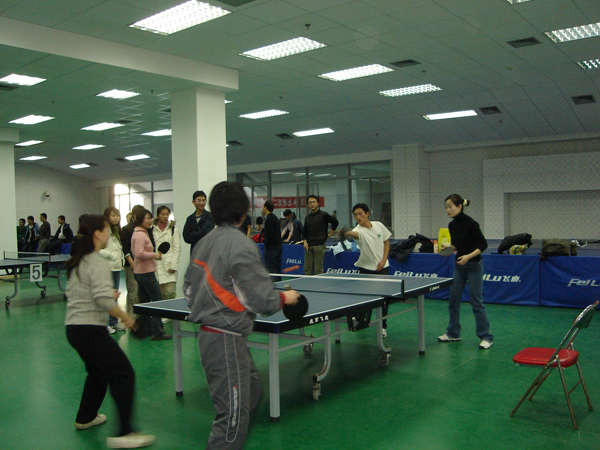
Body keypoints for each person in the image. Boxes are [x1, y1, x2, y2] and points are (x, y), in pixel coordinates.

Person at [183, 181, 299, 450]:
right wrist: (286, 298)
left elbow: (188, 290)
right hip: (224, 339)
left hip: (216, 336)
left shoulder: (203, 242)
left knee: (252, 390)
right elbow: (262, 300)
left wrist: (212, 305)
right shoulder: (241, 245)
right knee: (232, 419)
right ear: (244, 210)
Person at [64, 214, 156, 449]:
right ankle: (125, 433)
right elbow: (103, 301)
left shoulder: (79, 260)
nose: (109, 235)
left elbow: (80, 293)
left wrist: (106, 295)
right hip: (89, 330)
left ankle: (85, 417)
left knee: (98, 372)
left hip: (74, 329)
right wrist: (128, 319)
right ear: (98, 234)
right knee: (124, 374)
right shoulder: (97, 262)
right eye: (106, 230)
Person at [438, 194, 493, 350]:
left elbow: (483, 245)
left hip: (474, 266)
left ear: (459, 206)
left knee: (476, 302)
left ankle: (486, 337)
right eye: (446, 207)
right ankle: (453, 333)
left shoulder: (471, 224)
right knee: (453, 300)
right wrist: (448, 249)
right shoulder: (452, 225)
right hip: (459, 267)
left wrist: (468, 257)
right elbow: (456, 244)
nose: (448, 210)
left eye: (450, 206)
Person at [340, 203, 391, 336]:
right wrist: (346, 233)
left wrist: (384, 260)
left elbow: (386, 242)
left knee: (384, 301)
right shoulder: (358, 231)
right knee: (365, 299)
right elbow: (355, 234)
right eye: (355, 215)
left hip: (383, 268)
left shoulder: (379, 225)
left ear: (367, 213)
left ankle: (382, 327)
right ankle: (359, 318)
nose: (358, 217)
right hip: (366, 269)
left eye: (360, 214)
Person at [131, 208, 171, 341]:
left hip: (140, 272)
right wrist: (154, 255)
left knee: (145, 303)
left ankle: (145, 329)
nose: (150, 220)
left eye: (150, 218)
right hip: (146, 273)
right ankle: (158, 332)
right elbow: (139, 253)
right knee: (157, 300)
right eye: (148, 218)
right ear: (140, 220)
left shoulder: (139, 232)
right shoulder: (140, 235)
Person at [100, 207, 125, 334]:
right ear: (107, 217)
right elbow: (96, 249)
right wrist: (110, 256)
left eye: (117, 215)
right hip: (106, 268)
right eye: (113, 215)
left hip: (116, 267)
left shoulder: (117, 231)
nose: (116, 218)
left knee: (114, 296)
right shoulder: (102, 231)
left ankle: (113, 321)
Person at [302, 195, 338, 275]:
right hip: (308, 247)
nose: (312, 204)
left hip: (319, 246)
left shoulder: (323, 215)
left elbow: (335, 222)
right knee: (307, 269)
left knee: (318, 270)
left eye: (314, 202)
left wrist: (330, 233)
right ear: (308, 204)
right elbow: (304, 232)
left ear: (318, 203)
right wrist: (305, 242)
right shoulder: (307, 217)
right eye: (310, 202)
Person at [152, 206, 181, 301]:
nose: (165, 216)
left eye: (167, 214)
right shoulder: (152, 229)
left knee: (170, 293)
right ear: (157, 215)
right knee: (158, 296)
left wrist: (173, 266)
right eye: (162, 214)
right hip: (156, 266)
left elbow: (177, 248)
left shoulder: (173, 229)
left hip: (169, 266)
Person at [121, 205, 144, 315]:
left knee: (142, 292)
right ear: (134, 215)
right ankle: (131, 315)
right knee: (133, 291)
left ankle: (141, 316)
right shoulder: (126, 229)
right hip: (131, 265)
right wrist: (131, 262)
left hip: (144, 265)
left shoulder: (145, 228)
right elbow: (125, 247)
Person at [182, 190, 214, 255]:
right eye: (198, 200)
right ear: (193, 202)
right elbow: (186, 238)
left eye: (203, 200)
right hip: (194, 251)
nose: (201, 203)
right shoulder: (190, 218)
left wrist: (192, 234)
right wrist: (200, 233)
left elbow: (206, 232)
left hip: (207, 251)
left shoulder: (210, 216)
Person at [262, 200, 282, 278]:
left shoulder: (269, 219)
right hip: (277, 247)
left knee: (272, 271)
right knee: (276, 270)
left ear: (265, 208)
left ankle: (274, 284)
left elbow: (269, 235)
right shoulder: (274, 218)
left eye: (263, 207)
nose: (262, 209)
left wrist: (266, 244)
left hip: (272, 249)